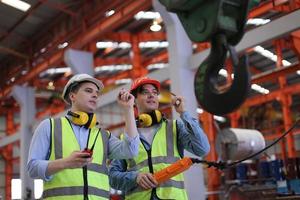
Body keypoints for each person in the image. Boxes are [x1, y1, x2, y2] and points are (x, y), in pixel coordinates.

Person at [27, 73, 140, 200]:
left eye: (96, 93)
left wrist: (128, 109)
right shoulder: (49, 126)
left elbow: (131, 150)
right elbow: (32, 168)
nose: (95, 95)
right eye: (88, 90)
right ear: (72, 96)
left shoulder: (102, 135)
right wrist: (65, 163)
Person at [109, 77, 210, 200]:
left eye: (155, 93)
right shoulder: (126, 138)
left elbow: (202, 149)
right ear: (133, 100)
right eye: (145, 92)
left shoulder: (174, 127)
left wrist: (184, 113)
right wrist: (135, 177)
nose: (151, 95)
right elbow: (112, 177)